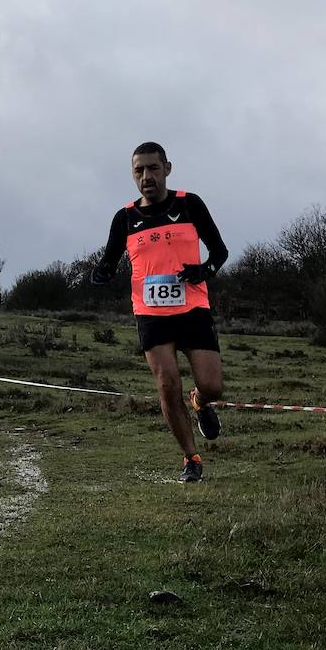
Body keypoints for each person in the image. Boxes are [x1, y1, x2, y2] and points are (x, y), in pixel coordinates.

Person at [91, 142, 229, 482]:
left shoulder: (189, 204)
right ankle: (191, 459)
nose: (146, 177)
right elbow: (109, 261)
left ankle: (200, 402)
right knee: (167, 384)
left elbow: (220, 252)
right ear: (132, 174)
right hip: (151, 314)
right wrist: (102, 273)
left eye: (153, 168)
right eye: (139, 170)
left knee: (212, 386)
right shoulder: (124, 218)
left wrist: (204, 271)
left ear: (167, 169)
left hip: (193, 308)